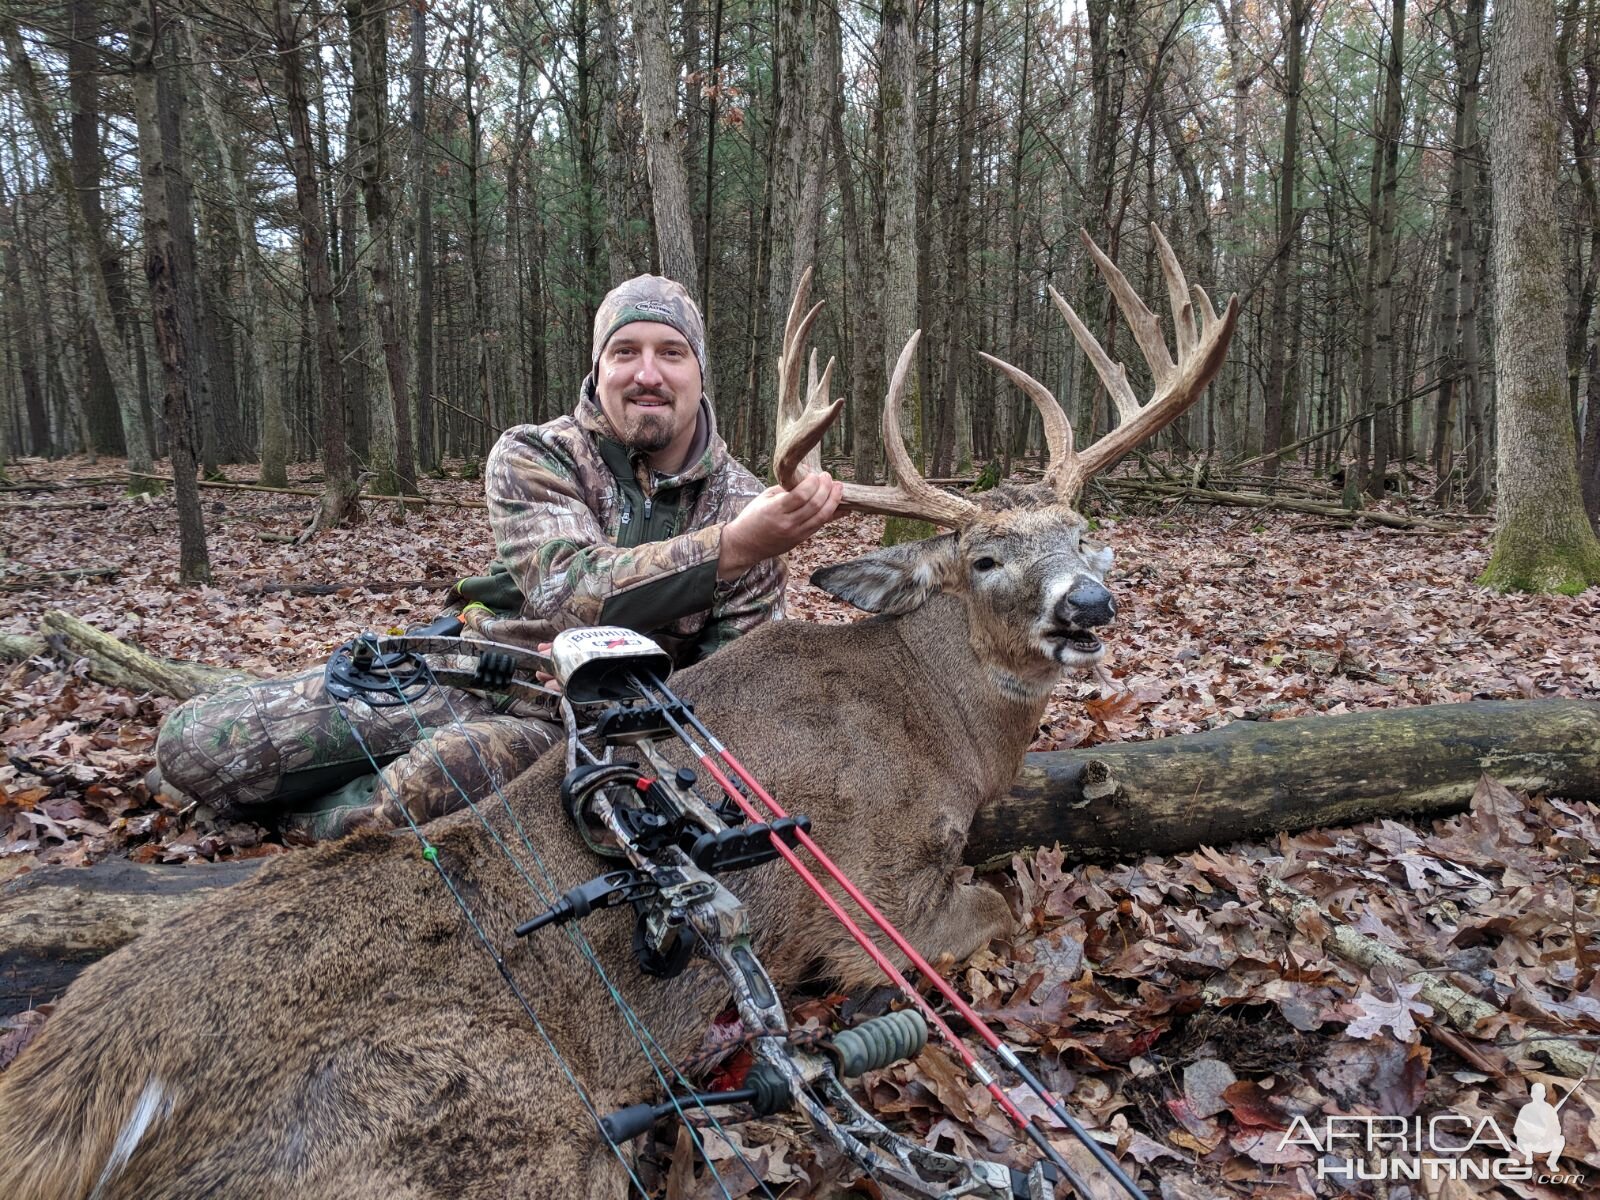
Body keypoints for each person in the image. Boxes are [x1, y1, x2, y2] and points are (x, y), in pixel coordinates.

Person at [152, 276, 842, 838]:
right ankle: (289, 781)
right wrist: (733, 547)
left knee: (409, 807)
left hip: (570, 735)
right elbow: (569, 591)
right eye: (625, 352)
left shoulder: (750, 503)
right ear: (598, 368)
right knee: (191, 746)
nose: (647, 374)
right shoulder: (536, 454)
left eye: (671, 353)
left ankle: (318, 812)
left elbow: (728, 691)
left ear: (699, 374)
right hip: (467, 674)